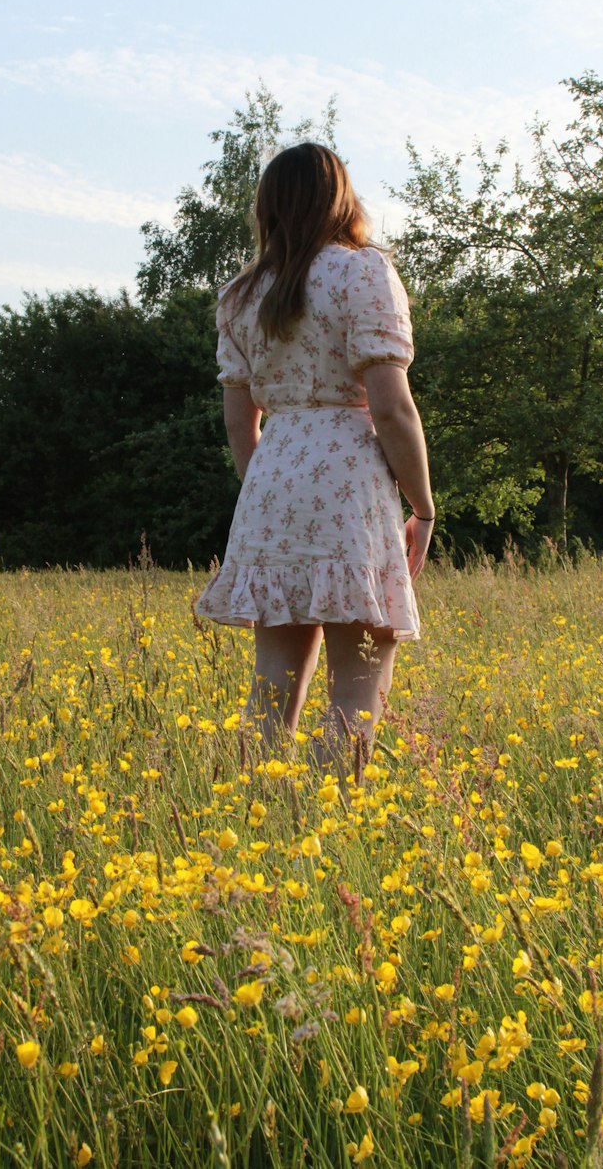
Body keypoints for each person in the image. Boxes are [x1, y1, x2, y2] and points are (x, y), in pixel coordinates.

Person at [195, 142, 434, 773]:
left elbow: (239, 422)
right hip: (349, 484)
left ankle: (260, 819)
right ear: (341, 197)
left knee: (271, 690)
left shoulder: (240, 294)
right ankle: (333, 829)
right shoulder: (363, 271)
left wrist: (264, 496)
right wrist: (424, 507)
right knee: (356, 693)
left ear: (268, 207)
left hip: (273, 479)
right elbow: (391, 409)